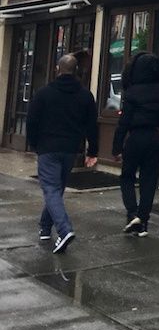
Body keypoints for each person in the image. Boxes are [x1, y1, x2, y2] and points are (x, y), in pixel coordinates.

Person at [26, 52, 98, 254]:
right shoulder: (85, 96)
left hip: (48, 147)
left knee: (50, 189)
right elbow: (92, 126)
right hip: (70, 150)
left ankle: (64, 230)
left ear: (58, 69)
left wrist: (34, 144)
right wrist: (92, 151)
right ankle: (45, 227)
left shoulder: (44, 93)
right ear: (76, 71)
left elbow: (31, 121)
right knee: (56, 190)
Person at [112, 52, 159, 236]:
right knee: (149, 179)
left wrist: (117, 147)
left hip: (135, 137)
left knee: (127, 177)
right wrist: (157, 123)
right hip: (153, 137)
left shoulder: (131, 92)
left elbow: (123, 123)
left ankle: (132, 213)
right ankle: (143, 220)